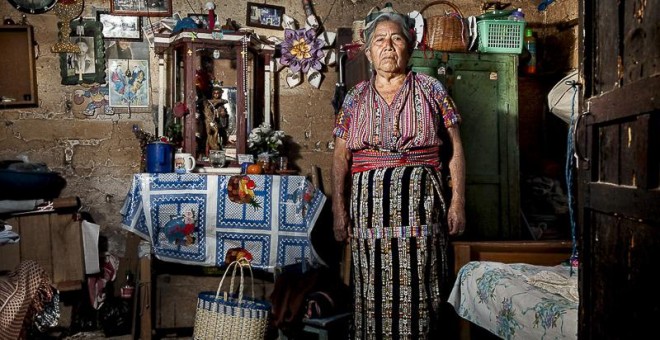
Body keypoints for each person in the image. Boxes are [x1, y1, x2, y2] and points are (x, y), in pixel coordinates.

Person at [331, 4, 466, 339]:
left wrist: (458, 202)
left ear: (410, 45)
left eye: (395, 38)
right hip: (368, 215)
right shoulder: (354, 98)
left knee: (422, 290)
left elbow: (456, 150)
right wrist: (338, 210)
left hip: (421, 210)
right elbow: (339, 157)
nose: (388, 46)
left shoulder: (432, 89)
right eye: (379, 40)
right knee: (370, 293)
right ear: (368, 51)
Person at [204, 83, 229, 153]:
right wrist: (215, 103)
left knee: (220, 134)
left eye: (218, 93)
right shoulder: (209, 102)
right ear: (212, 93)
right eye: (214, 93)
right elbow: (208, 106)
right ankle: (211, 148)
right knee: (210, 134)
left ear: (220, 94)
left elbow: (225, 102)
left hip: (218, 122)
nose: (216, 95)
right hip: (210, 121)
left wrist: (223, 114)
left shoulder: (221, 103)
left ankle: (218, 146)